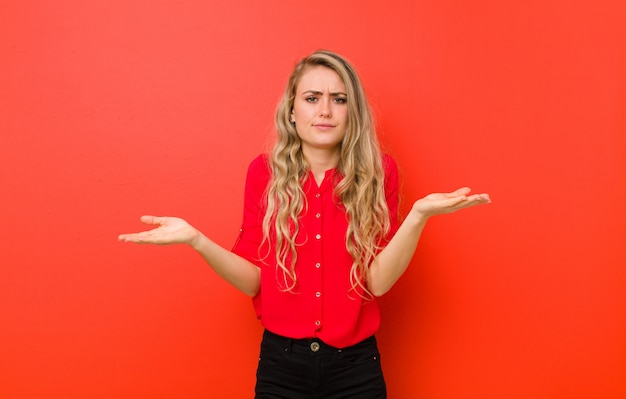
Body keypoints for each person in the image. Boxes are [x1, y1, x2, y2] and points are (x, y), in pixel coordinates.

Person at [118, 50, 490, 398]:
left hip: (356, 367)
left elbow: (377, 281)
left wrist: (418, 217)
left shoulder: (379, 173)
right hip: (281, 367)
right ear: (292, 110)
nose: (325, 110)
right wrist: (197, 240)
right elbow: (254, 280)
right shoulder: (263, 173)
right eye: (312, 98)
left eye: (339, 99)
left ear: (352, 112)